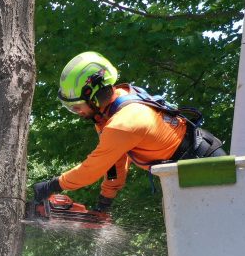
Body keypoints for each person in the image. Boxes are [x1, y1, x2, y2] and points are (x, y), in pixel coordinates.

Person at [33, 51, 226, 213]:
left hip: (204, 167)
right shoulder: (114, 106)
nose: (77, 113)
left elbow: (93, 169)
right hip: (190, 165)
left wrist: (53, 185)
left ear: (93, 95)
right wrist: (104, 203)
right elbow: (113, 165)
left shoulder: (123, 123)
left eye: (77, 107)